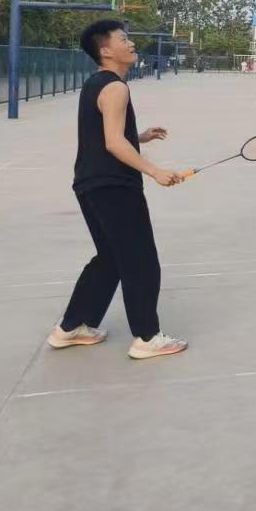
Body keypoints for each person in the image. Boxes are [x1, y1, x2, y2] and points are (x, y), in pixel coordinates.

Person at [49, 19, 187, 360]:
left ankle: (72, 326)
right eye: (123, 39)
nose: (131, 43)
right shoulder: (116, 88)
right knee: (141, 261)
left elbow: (105, 134)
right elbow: (112, 143)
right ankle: (147, 337)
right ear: (106, 50)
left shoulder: (95, 84)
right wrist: (155, 171)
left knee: (110, 259)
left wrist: (139, 137)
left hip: (89, 184)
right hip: (114, 185)